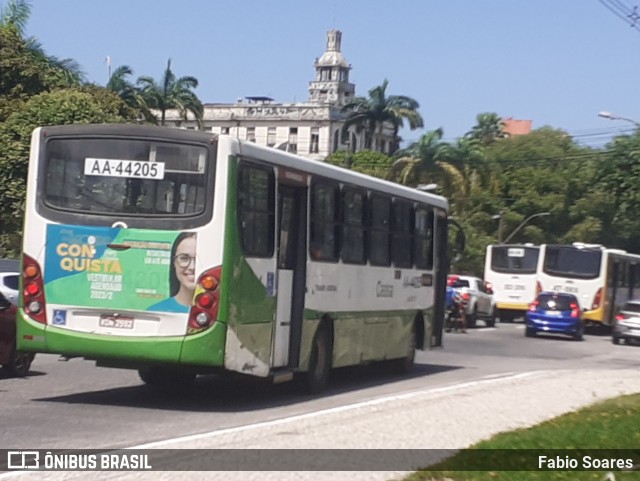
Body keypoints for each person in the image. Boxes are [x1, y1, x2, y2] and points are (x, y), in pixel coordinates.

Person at [149, 232, 196, 313]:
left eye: (198, 259)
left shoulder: (220, 312)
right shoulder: (156, 311)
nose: (192, 267)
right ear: (174, 262)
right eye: (184, 258)